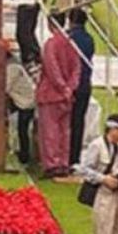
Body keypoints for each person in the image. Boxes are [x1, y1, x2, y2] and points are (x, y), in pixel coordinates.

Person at [79, 114, 118, 234]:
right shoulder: (96, 145)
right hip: (103, 194)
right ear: (112, 129)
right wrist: (104, 179)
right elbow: (84, 169)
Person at [35, 11, 81, 177]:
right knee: (64, 130)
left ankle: (52, 164)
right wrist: (70, 88)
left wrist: (62, 87)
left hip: (51, 93)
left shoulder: (51, 44)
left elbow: (52, 68)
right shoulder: (71, 43)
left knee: (50, 131)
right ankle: (63, 162)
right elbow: (77, 69)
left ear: (50, 24)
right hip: (67, 95)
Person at [66, 6, 95, 165]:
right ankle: (74, 158)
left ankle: (66, 155)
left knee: (66, 122)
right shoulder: (89, 39)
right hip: (85, 84)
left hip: (72, 84)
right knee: (78, 121)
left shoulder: (69, 38)